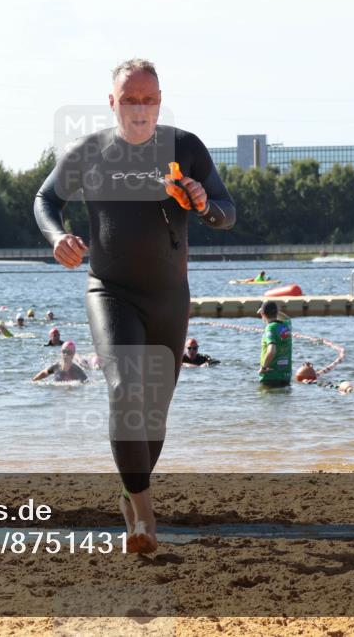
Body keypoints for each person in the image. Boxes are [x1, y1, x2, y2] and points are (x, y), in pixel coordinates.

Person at [34, 58, 236, 553]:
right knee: (125, 390)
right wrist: (58, 237)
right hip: (110, 290)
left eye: (148, 99)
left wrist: (202, 202)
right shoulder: (90, 152)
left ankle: (130, 492)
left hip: (169, 297)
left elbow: (226, 213)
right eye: (129, 100)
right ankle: (144, 518)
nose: (139, 109)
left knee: (153, 417)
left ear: (160, 101)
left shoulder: (185, 148)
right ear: (112, 103)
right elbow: (45, 200)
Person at [258, 301, 292, 387]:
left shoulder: (269, 328)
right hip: (286, 376)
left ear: (262, 314)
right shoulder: (286, 326)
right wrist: (275, 311)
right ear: (277, 312)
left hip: (270, 376)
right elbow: (287, 318)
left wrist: (263, 368)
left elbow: (272, 350)